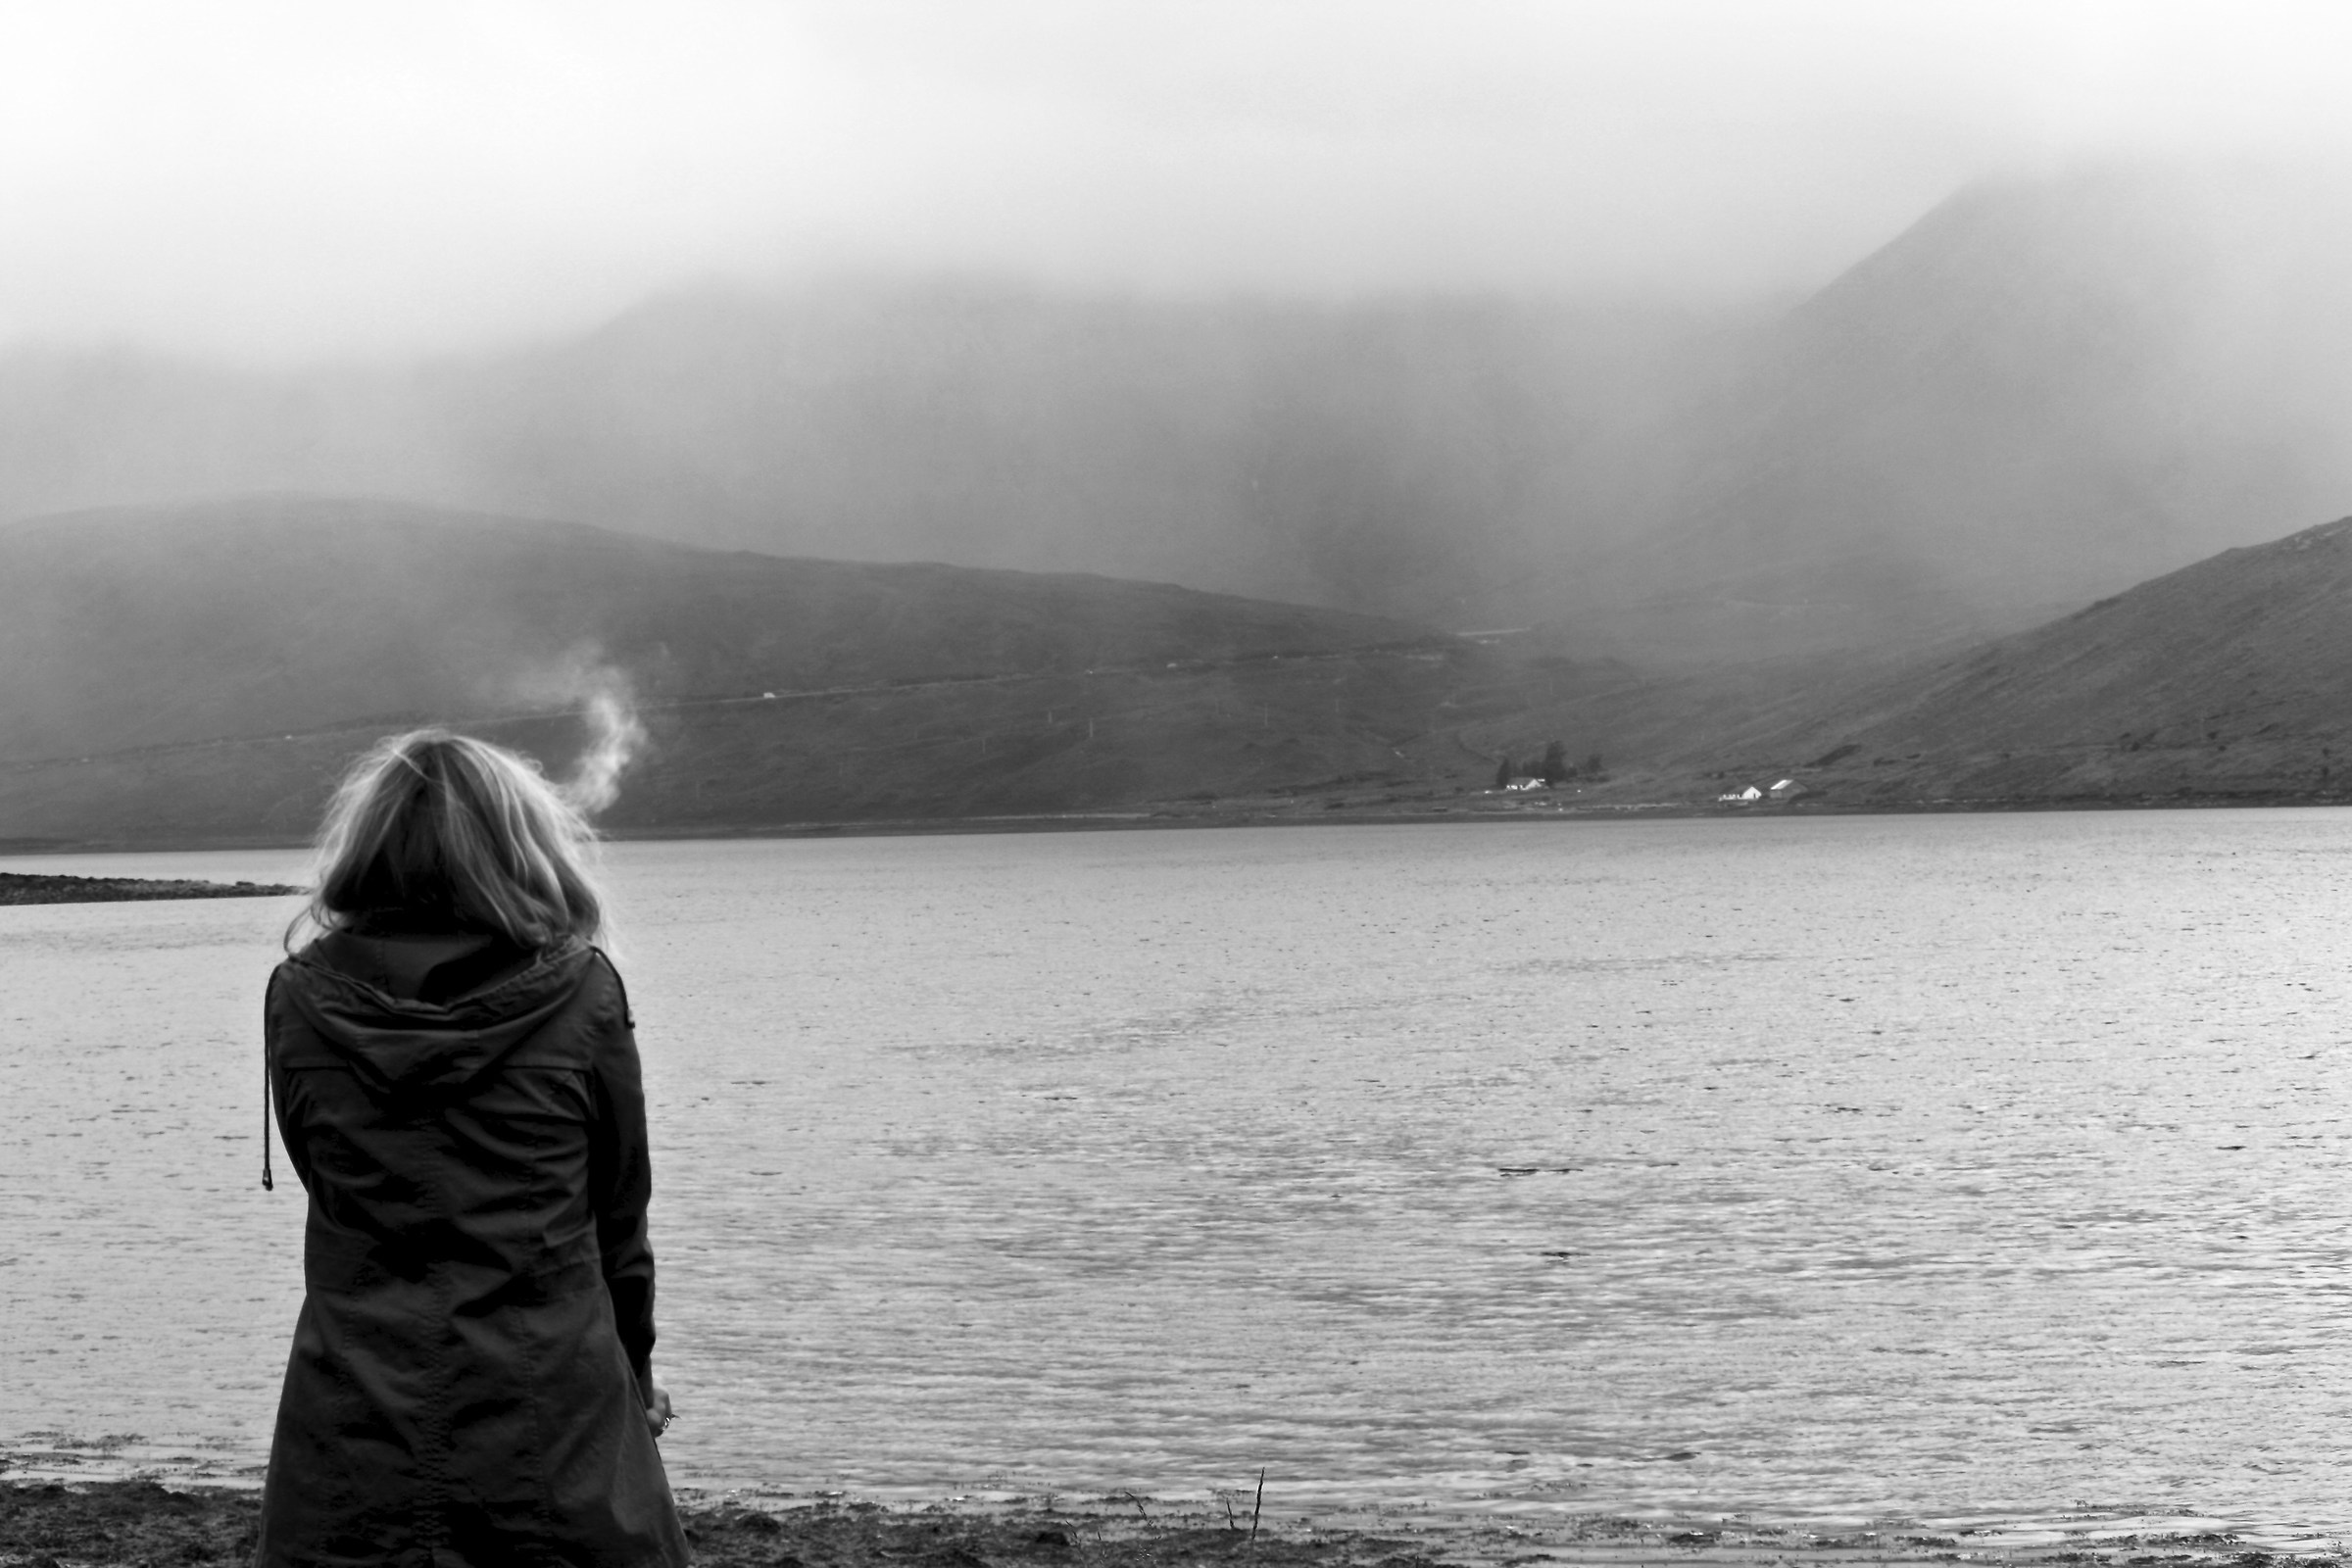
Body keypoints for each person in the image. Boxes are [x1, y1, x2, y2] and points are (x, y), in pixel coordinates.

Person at [257, 728, 689, 1568]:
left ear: (368, 846)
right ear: (517, 846)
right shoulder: (584, 990)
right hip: (555, 1409)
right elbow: (618, 1220)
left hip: (351, 1417)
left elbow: (332, 1192)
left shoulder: (297, 997)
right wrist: (634, 1376)